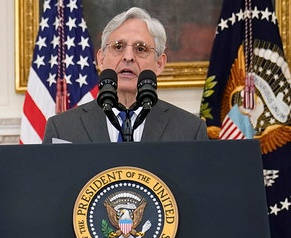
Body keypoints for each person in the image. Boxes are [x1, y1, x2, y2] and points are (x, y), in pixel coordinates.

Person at [43, 7, 208, 143]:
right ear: (101, 59)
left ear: (159, 63)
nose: (128, 57)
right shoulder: (62, 129)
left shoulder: (190, 130)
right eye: (118, 47)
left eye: (140, 48)